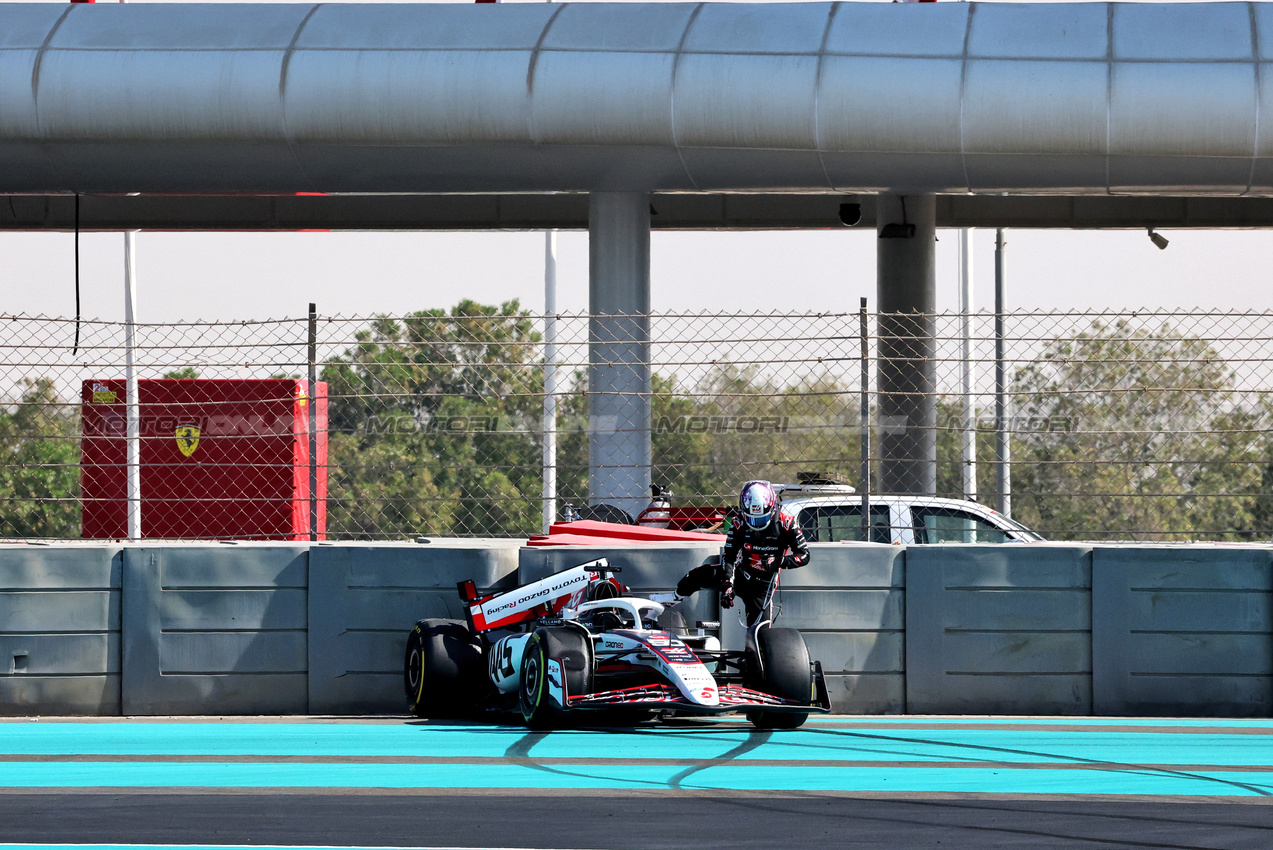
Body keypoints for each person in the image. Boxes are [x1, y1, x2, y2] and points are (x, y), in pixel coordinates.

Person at [662, 480, 810, 626]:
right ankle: (674, 597)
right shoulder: (738, 522)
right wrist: (728, 584)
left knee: (759, 634)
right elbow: (729, 556)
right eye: (751, 518)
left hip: (763, 587)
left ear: (772, 509)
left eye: (761, 519)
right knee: (701, 574)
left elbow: (804, 555)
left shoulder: (787, 524)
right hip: (740, 574)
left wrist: (779, 561)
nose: (756, 524)